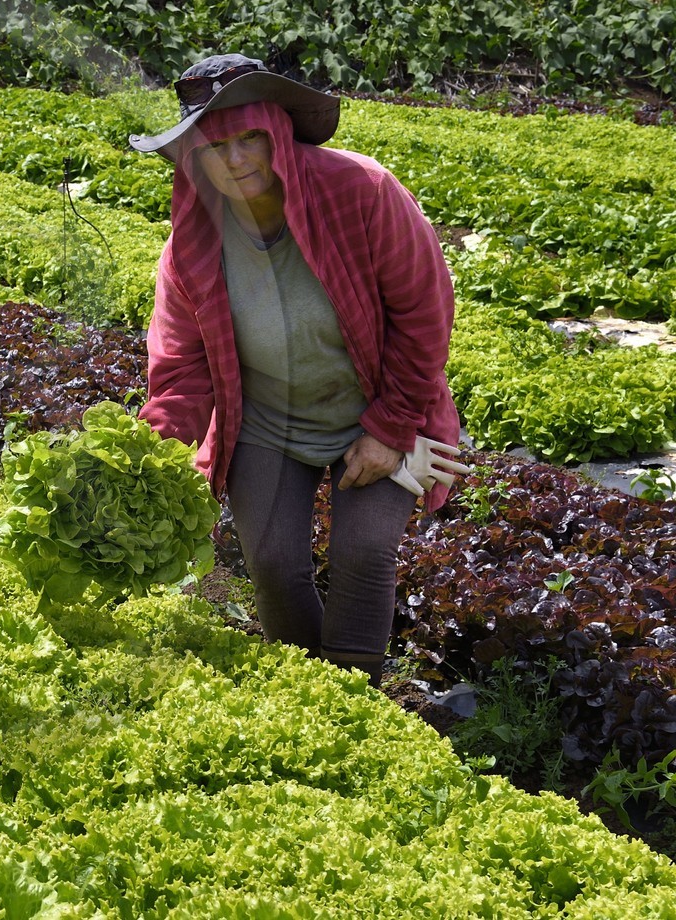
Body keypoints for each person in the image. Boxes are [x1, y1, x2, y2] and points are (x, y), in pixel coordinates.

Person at [128, 53, 466, 687]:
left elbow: (425, 315)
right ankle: (311, 694)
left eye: (249, 138)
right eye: (214, 147)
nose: (235, 161)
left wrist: (391, 428)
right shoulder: (193, 241)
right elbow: (181, 368)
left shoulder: (361, 192)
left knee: (364, 553)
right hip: (266, 419)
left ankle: (358, 699)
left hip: (378, 404)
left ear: (278, 132)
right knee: (274, 563)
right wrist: (147, 461)